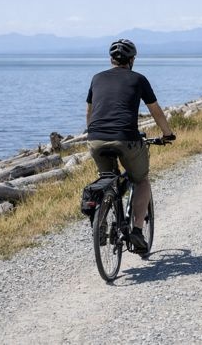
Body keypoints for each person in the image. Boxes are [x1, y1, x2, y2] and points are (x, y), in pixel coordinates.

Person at [86, 38, 175, 252]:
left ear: (111, 59)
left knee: (107, 179)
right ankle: (136, 230)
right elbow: (155, 110)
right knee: (141, 180)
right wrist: (167, 134)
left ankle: (101, 219)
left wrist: (93, 134)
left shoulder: (97, 78)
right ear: (132, 60)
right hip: (126, 138)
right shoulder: (139, 79)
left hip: (95, 139)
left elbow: (89, 112)